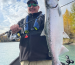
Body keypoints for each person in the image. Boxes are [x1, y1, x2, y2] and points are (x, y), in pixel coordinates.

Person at [9, 0, 52, 65]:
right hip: (25, 61)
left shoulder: (46, 18)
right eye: (29, 5)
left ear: (38, 7)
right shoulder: (22, 21)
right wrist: (13, 32)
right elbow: (11, 38)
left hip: (44, 60)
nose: (31, 6)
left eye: (34, 4)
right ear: (27, 7)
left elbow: (55, 15)